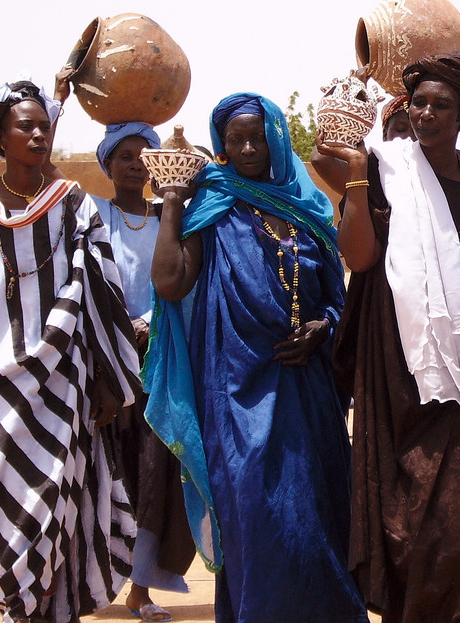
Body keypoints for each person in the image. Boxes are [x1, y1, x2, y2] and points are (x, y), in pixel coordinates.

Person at [315, 53, 460, 622]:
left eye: (441, 104)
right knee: (408, 503)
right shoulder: (383, 166)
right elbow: (360, 256)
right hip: (401, 359)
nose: (426, 113)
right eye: (418, 102)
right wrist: (355, 172)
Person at [0, 80, 142, 623]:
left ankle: (49, 611)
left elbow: (101, 291)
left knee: (56, 508)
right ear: (0, 137)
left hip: (61, 388)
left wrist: (108, 379)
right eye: (25, 126)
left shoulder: (73, 206)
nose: (39, 134)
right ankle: (22, 607)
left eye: (45, 125)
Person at [144, 93, 366, 623]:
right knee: (257, 517)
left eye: (257, 137)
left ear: (277, 138)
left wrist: (325, 327)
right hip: (237, 394)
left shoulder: (309, 206)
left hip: (308, 392)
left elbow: (337, 296)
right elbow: (171, 282)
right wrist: (174, 202)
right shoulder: (214, 207)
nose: (246, 148)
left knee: (314, 515)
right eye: (234, 139)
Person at [91, 123, 195, 622]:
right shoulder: (91, 213)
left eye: (144, 155)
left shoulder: (170, 218)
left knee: (153, 474)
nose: (135, 164)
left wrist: (147, 322)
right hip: (103, 366)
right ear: (107, 164)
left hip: (158, 362)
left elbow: (180, 278)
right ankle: (84, 582)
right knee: (102, 471)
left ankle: (141, 589)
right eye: (124, 155)